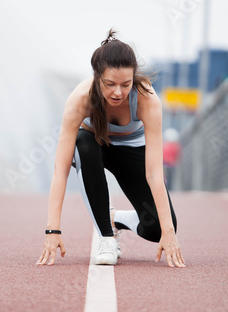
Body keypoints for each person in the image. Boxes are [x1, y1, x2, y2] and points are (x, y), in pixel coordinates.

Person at [36, 29, 185, 267]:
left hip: (132, 152)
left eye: (126, 84)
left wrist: (169, 231)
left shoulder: (147, 99)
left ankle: (116, 219)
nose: (118, 92)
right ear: (97, 77)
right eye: (110, 84)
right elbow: (60, 170)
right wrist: (52, 230)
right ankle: (106, 237)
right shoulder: (80, 100)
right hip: (94, 149)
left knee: (157, 229)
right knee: (84, 141)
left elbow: (155, 173)